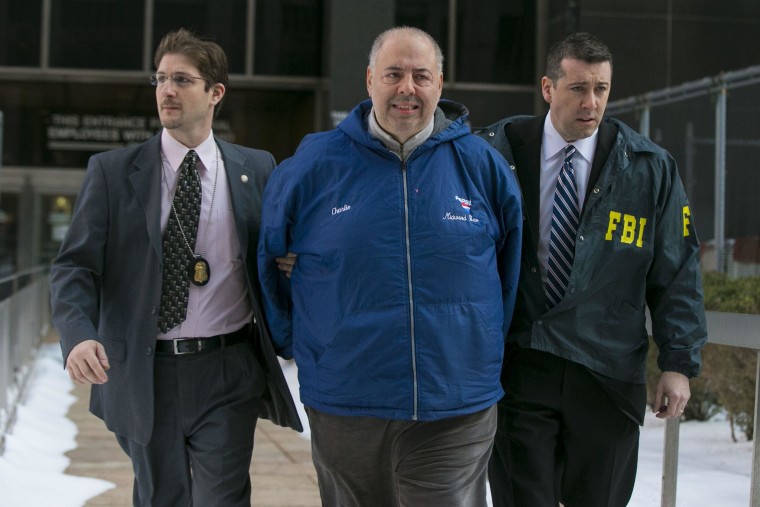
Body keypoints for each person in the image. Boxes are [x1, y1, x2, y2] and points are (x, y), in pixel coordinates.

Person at [258, 26, 522, 507]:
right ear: (369, 80)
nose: (407, 88)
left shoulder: (482, 165)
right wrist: (297, 341)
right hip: (346, 399)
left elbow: (510, 269)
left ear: (440, 84)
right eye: (394, 74)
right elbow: (268, 259)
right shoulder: (314, 163)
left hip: (455, 402)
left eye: (421, 76)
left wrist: (479, 346)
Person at [50, 28, 301, 506]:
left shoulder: (257, 168)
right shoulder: (112, 172)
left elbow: (277, 251)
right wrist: (79, 334)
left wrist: (293, 262)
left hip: (228, 366)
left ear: (215, 93)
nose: (166, 90)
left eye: (182, 80)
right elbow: (74, 268)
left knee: (222, 497)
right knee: (161, 496)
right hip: (145, 370)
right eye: (161, 78)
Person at [476, 32, 708, 506]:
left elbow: (677, 269)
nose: (592, 102)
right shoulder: (494, 153)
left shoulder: (648, 169)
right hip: (521, 366)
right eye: (578, 88)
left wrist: (678, 363)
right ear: (547, 88)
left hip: (607, 371)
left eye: (601, 89)